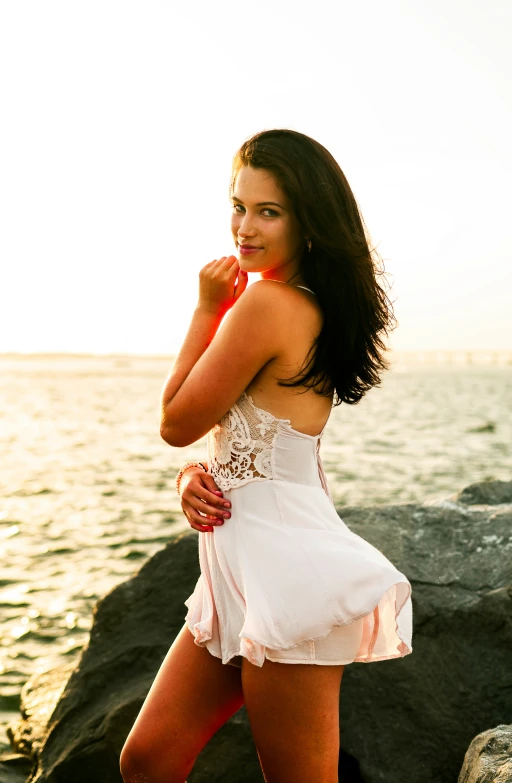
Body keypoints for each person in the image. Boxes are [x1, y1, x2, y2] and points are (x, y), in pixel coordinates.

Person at [120, 128, 412, 783]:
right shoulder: (307, 305)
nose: (243, 228)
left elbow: (175, 420)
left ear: (308, 224)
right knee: (148, 758)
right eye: (238, 205)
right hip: (240, 569)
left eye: (268, 211)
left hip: (282, 574)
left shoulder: (266, 304)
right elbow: (273, 451)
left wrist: (205, 310)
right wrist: (194, 474)